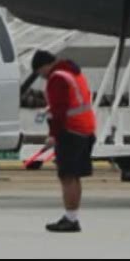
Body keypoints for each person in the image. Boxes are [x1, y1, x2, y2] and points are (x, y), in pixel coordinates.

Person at [33, 49, 97, 232]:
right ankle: (72, 217)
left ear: (45, 65)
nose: (42, 77)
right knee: (74, 176)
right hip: (86, 128)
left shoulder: (57, 78)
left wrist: (53, 135)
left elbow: (60, 110)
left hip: (71, 131)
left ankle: (71, 220)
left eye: (40, 72)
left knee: (67, 176)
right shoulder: (73, 72)